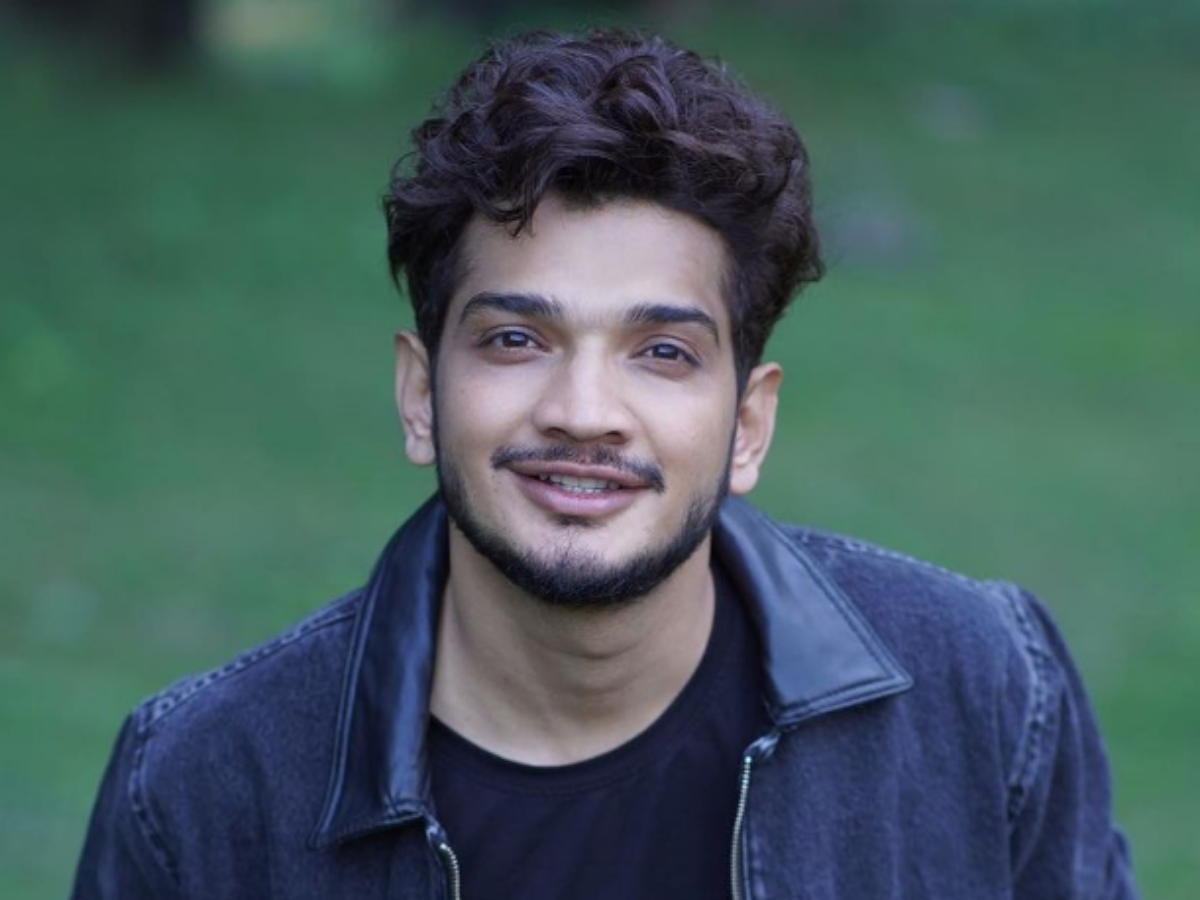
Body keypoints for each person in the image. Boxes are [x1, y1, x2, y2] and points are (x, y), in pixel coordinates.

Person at [72, 28, 1137, 900]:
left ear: (750, 425)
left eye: (663, 353)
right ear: (418, 394)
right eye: (515, 340)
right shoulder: (204, 791)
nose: (585, 413)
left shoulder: (985, 689)